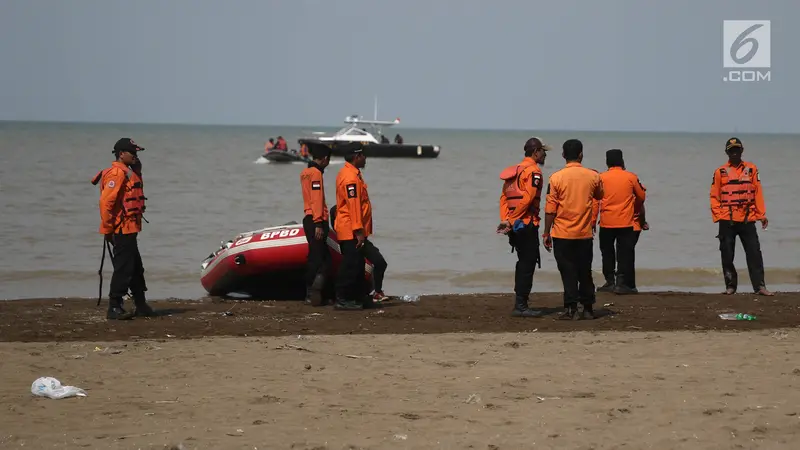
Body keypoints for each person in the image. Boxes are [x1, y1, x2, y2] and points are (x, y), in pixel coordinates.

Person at [91, 138, 155, 320]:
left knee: (136, 267)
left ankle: (141, 304)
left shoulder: (129, 172)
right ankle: (114, 306)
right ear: (121, 154)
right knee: (124, 269)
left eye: (137, 153)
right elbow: (106, 203)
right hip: (121, 229)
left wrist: (138, 169)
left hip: (130, 228)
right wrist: (108, 229)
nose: (136, 156)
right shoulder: (117, 174)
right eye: (132, 153)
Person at [542, 139, 604, 320]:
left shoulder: (556, 178)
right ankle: (588, 308)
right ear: (581, 155)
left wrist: (546, 232)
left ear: (563, 155)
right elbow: (600, 195)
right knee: (585, 271)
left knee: (567, 271)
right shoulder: (593, 176)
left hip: (562, 233)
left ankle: (571, 309)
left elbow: (550, 209)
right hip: (584, 233)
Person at [710, 137, 773, 296]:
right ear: (727, 152)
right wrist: (718, 215)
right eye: (731, 150)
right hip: (727, 220)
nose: (734, 153)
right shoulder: (720, 172)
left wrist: (761, 215)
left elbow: (757, 192)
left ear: (742, 151)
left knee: (754, 254)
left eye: (737, 149)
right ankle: (731, 286)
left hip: (748, 219)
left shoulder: (751, 169)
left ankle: (759, 287)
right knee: (727, 255)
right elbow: (714, 196)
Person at [496, 137, 551, 317]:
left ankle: (520, 303)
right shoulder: (534, 172)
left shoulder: (515, 171)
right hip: (526, 224)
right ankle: (521, 306)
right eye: (544, 151)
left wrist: (506, 219)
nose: (545, 155)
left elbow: (504, 198)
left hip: (515, 226)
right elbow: (527, 199)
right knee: (527, 264)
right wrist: (512, 220)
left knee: (523, 263)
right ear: (536, 152)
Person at [333, 143, 389, 310]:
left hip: (355, 230)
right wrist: (358, 231)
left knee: (358, 266)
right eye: (363, 155)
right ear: (356, 157)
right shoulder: (350, 177)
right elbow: (354, 207)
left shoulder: (353, 174)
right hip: (351, 230)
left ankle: (358, 298)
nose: (365, 158)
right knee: (350, 266)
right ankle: (342, 299)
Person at [595, 149, 647, 294]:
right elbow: (641, 197)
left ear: (607, 162)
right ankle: (622, 284)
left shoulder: (600, 177)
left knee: (607, 252)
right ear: (622, 161)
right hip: (626, 221)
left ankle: (609, 281)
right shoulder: (630, 177)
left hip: (606, 221)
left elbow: (595, 200)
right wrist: (634, 208)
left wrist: (593, 221)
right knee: (624, 253)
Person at [299, 143, 333, 306]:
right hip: (316, 219)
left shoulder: (305, 172)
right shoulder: (316, 174)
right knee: (322, 261)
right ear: (325, 159)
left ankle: (311, 294)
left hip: (308, 218)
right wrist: (319, 223)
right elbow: (317, 199)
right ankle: (313, 294)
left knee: (315, 257)